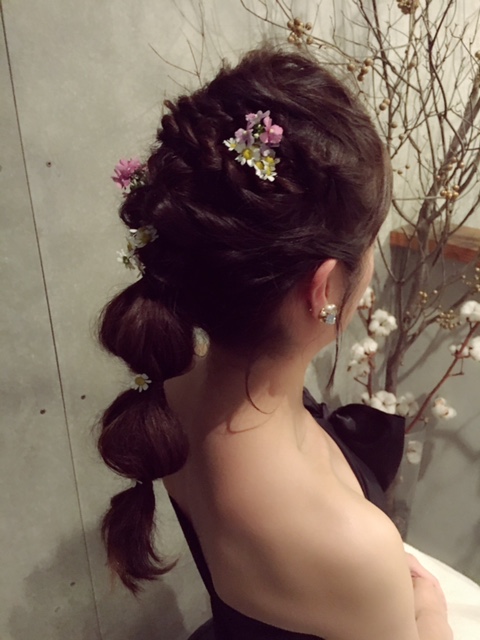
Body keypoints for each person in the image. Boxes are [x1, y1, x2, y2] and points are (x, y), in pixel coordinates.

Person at [98, 47, 453, 640]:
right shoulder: (352, 547)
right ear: (324, 289)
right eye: (369, 244)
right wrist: (431, 610)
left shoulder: (168, 398)